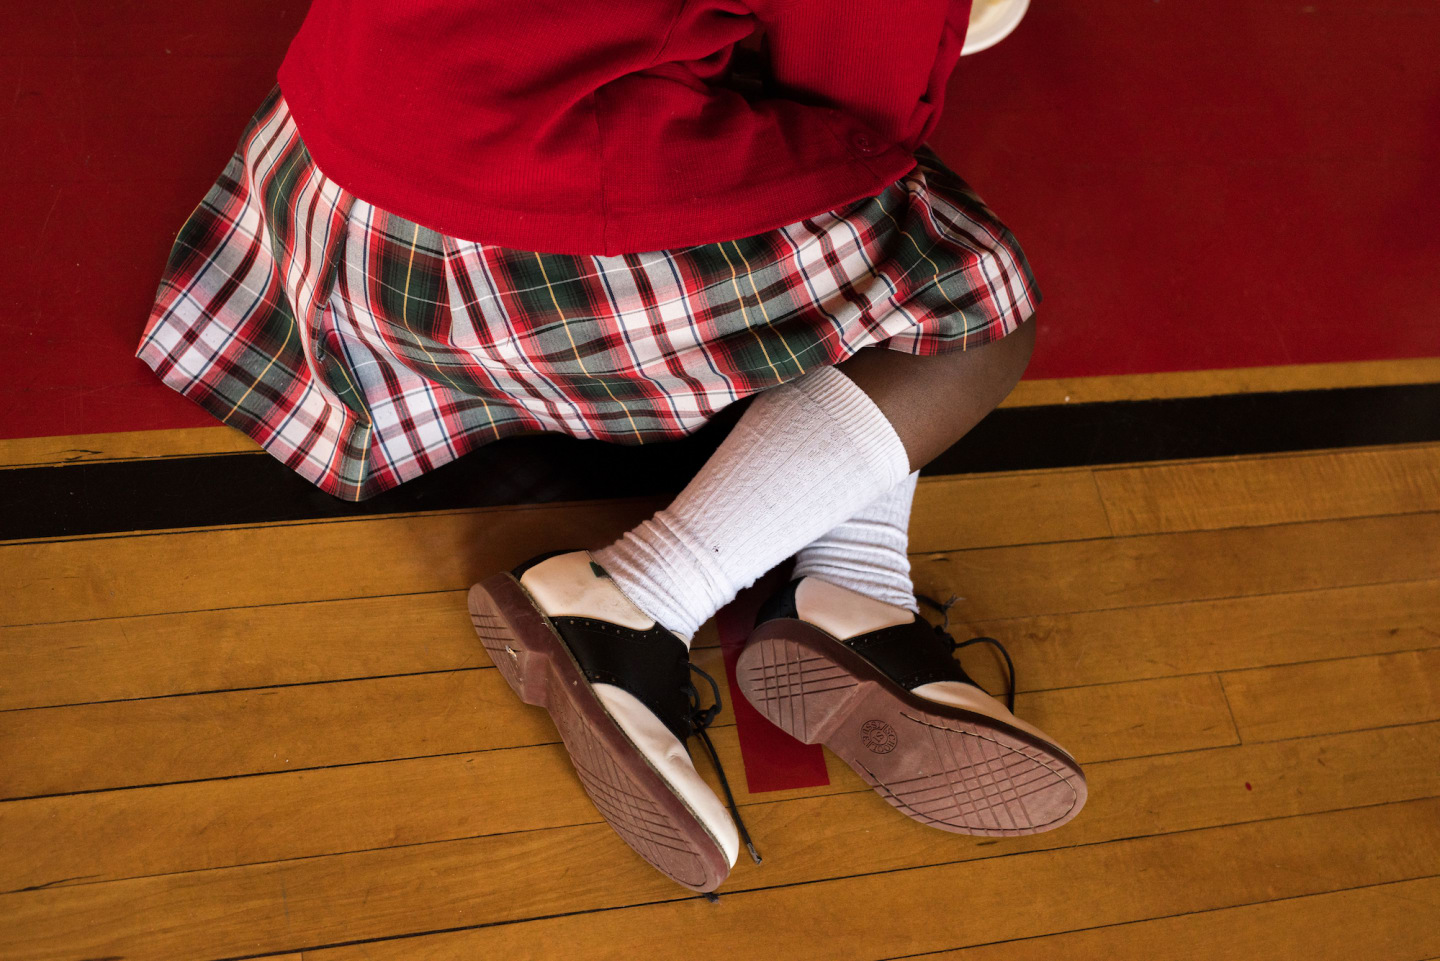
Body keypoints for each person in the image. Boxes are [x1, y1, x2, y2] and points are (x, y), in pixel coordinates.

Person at [137, 0, 1085, 896]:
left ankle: (848, 588)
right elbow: (862, 114)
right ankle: (635, 601)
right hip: (504, 222)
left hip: (327, 160)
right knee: (962, 294)